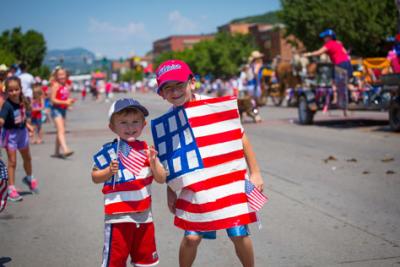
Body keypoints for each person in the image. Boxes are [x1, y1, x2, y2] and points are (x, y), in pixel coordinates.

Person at [155, 60, 264, 267]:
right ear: (161, 93)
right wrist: (170, 190)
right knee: (191, 238)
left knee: (238, 233)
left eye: (179, 85)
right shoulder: (168, 121)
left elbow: (241, 139)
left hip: (228, 181)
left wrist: (255, 172)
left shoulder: (214, 107)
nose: (175, 91)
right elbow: (171, 159)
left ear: (192, 82)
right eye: (168, 88)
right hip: (195, 186)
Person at [91, 98, 166, 267]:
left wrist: (154, 163)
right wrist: (108, 171)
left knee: (145, 261)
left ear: (143, 124)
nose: (130, 127)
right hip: (118, 218)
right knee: (115, 261)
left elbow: (161, 179)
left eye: (135, 122)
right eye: (123, 122)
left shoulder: (147, 151)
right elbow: (95, 177)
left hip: (144, 217)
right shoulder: (109, 151)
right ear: (113, 127)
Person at [0, 77, 38, 201]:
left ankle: (29, 177)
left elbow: (21, 118)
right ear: (6, 91)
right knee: (12, 162)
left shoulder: (22, 101)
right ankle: (11, 189)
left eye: (16, 89)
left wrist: (28, 126)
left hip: (22, 133)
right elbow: (2, 120)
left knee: (27, 157)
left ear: (20, 89)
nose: (14, 92)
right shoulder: (7, 105)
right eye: (10, 90)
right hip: (10, 135)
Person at [50, 67, 76, 158]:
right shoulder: (55, 85)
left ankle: (56, 152)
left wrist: (69, 103)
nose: (61, 76)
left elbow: (65, 97)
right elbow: (52, 100)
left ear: (66, 75)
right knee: (61, 130)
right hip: (56, 110)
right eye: (59, 75)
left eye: (63, 74)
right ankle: (65, 149)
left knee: (60, 130)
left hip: (63, 110)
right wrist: (65, 102)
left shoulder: (65, 85)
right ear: (56, 76)